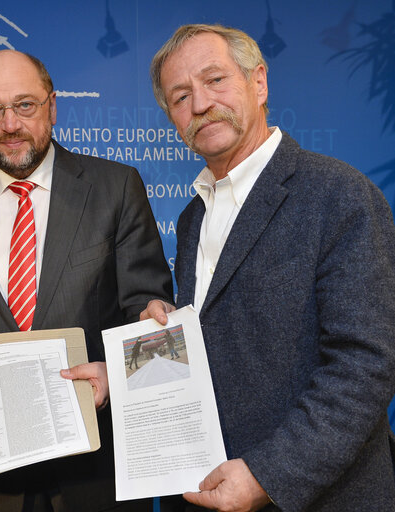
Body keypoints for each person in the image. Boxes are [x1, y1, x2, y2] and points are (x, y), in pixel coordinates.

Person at [143, 24, 395, 511]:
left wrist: (268, 476)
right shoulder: (193, 217)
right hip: (213, 489)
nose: (200, 104)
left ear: (258, 83)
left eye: (215, 80)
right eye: (180, 96)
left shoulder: (339, 194)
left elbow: (365, 365)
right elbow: (229, 341)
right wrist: (144, 356)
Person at [0, 49, 173, 511]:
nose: (10, 124)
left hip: (98, 465)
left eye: (25, 105)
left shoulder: (115, 188)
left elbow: (149, 307)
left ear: (51, 107)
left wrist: (117, 375)